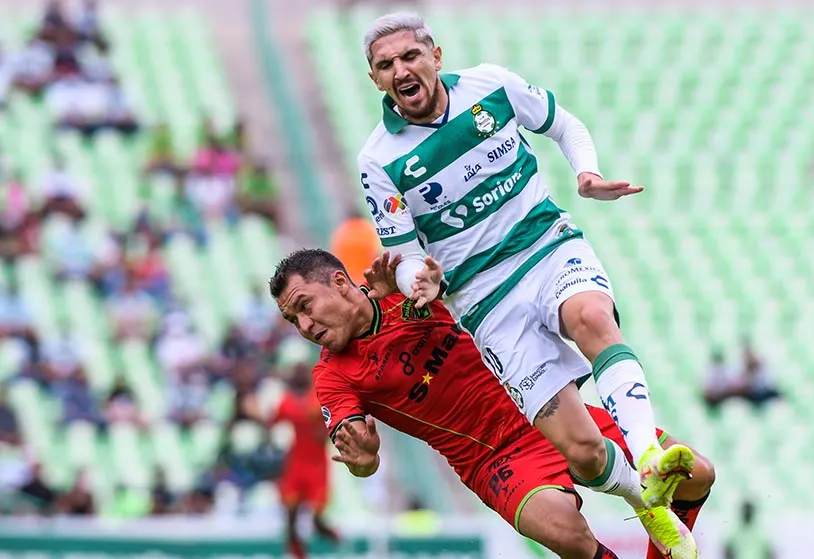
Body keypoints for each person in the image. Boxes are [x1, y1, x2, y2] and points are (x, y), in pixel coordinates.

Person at [355, 11, 691, 511]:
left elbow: (564, 125)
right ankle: (647, 501)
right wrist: (416, 281)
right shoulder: (378, 160)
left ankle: (646, 453)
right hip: (484, 298)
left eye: (410, 56)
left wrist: (586, 174)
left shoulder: (491, 86)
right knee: (583, 452)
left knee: (592, 317)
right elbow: (403, 257)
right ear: (375, 78)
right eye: (386, 65)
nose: (401, 70)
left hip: (546, 245)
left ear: (435, 56)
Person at [269, 249, 715, 559]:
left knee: (698, 475)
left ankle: (652, 515)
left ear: (340, 282)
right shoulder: (331, 374)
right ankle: (641, 503)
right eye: (293, 319)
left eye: (305, 306)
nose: (304, 325)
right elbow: (359, 455)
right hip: (490, 456)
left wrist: (428, 284)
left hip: (544, 406)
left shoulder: (405, 285)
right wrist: (363, 460)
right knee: (566, 532)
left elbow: (465, 278)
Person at [242, 363, 339, 558]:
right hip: (296, 462)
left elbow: (331, 422)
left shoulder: (318, 397)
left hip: (317, 464)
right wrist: (255, 413)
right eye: (296, 373)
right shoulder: (288, 402)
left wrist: (325, 430)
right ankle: (296, 551)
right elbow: (271, 422)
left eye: (302, 373)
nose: (299, 377)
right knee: (291, 513)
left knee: (316, 516)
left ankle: (329, 536)